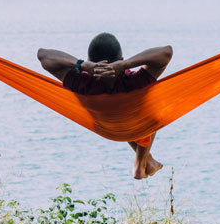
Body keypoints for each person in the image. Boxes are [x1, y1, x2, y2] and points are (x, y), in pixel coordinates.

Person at [37, 33, 173, 179]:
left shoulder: (82, 83)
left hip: (106, 128)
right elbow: (166, 52)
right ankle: (140, 164)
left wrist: (81, 64)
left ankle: (149, 160)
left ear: (90, 62)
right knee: (154, 111)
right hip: (133, 126)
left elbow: (43, 55)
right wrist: (126, 65)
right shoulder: (135, 81)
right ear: (120, 60)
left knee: (118, 114)